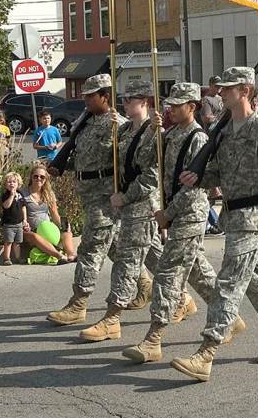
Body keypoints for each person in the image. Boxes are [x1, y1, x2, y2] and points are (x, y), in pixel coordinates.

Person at [172, 66, 258, 383]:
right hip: (233, 214)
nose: (222, 92)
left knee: (228, 283)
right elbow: (219, 172)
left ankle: (206, 353)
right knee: (256, 278)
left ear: (245, 90)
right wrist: (198, 177)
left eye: (228, 88)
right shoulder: (226, 129)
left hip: (252, 214)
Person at [123, 82, 234, 364]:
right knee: (197, 272)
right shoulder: (170, 133)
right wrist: (153, 132)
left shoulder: (197, 138)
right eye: (169, 104)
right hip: (174, 210)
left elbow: (193, 187)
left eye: (177, 105)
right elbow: (144, 159)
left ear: (192, 107)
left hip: (188, 213)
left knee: (168, 273)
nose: (170, 109)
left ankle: (154, 338)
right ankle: (228, 316)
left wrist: (168, 214)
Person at [81, 80, 167, 342]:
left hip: (142, 205)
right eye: (124, 99)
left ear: (145, 102)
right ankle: (183, 297)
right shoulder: (126, 129)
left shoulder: (154, 132)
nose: (125, 103)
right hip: (127, 206)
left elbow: (151, 176)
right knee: (158, 260)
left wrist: (125, 196)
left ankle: (112, 318)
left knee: (128, 263)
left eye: (131, 99)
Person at [47, 74, 126, 326]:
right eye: (85, 95)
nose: (86, 100)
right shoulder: (86, 121)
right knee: (118, 247)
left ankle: (78, 302)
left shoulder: (118, 124)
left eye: (91, 96)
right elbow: (82, 154)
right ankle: (155, 289)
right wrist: (63, 165)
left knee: (90, 248)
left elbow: (125, 162)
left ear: (105, 96)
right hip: (88, 192)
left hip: (105, 196)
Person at [22, 164, 76, 263]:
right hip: (30, 230)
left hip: (48, 229)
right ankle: (59, 256)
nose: (39, 179)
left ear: (46, 179)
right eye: (36, 176)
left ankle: (71, 254)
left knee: (66, 229)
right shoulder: (23, 193)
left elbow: (55, 214)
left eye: (42, 177)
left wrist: (64, 226)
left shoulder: (48, 194)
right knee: (34, 236)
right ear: (31, 177)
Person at [0, 172, 27, 266]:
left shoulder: (21, 194)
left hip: (19, 223)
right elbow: (6, 206)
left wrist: (25, 219)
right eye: (9, 182)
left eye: (14, 182)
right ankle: (7, 258)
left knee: (18, 242)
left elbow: (23, 207)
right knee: (8, 242)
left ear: (18, 184)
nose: (12, 184)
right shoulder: (5, 195)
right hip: (8, 224)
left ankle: (18, 258)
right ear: (5, 184)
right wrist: (11, 195)